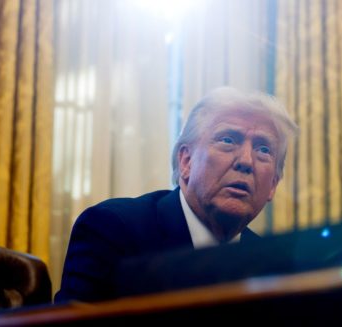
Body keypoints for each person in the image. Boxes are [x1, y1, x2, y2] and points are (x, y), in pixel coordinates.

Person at [55, 87, 298, 302]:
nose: (246, 161)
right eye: (227, 140)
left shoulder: (276, 266)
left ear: (273, 184)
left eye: (263, 149)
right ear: (186, 161)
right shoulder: (113, 230)